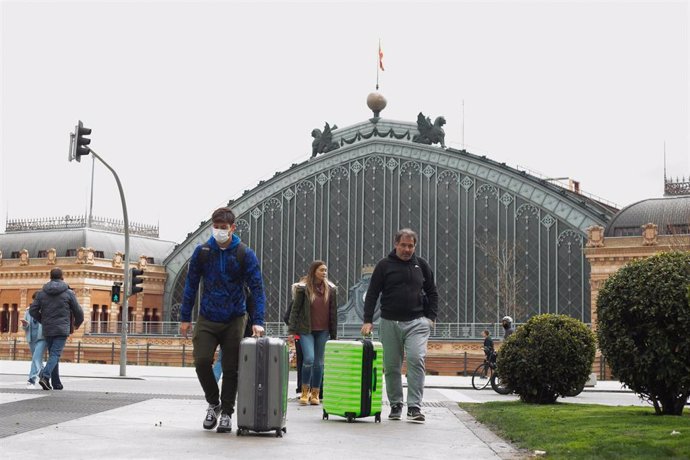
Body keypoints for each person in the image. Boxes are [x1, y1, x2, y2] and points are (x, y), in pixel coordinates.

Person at [179, 207, 266, 434]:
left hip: (235, 318)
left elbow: (257, 288)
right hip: (208, 316)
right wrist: (185, 317)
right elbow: (190, 284)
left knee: (230, 368)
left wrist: (258, 320)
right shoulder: (203, 252)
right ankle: (214, 403)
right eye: (216, 227)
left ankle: (227, 412)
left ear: (232, 228)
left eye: (223, 228)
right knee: (201, 361)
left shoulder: (244, 254)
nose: (219, 231)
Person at [361, 228, 438, 423]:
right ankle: (396, 404)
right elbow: (372, 294)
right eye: (403, 245)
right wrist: (368, 320)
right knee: (392, 366)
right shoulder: (384, 266)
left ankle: (414, 406)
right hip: (389, 322)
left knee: (416, 359)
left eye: (410, 246)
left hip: (417, 323)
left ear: (415, 246)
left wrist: (430, 317)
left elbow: (432, 292)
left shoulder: (422, 265)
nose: (407, 249)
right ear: (396, 244)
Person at [287, 260, 337, 405]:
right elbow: (295, 309)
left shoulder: (331, 289)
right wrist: (292, 329)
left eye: (326, 270)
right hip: (306, 330)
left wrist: (334, 334)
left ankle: (315, 393)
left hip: (323, 331)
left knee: (319, 363)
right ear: (314, 271)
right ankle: (304, 391)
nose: (324, 273)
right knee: (309, 359)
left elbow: (333, 313)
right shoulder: (303, 289)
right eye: (321, 270)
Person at [29, 267, 84, 390]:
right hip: (61, 328)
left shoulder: (42, 292)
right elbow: (78, 311)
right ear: (62, 277)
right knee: (55, 354)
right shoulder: (69, 293)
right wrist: (77, 324)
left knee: (53, 355)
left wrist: (42, 320)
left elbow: (33, 310)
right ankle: (45, 376)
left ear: (50, 277)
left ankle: (56, 383)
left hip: (47, 328)